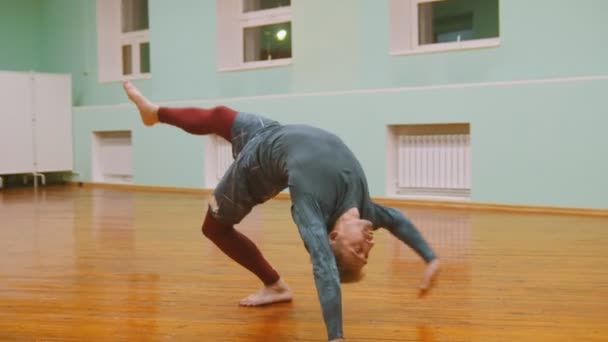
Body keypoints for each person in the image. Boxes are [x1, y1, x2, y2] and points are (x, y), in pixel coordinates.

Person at [123, 81, 440, 342]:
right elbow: (398, 220)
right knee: (220, 116)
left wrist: (336, 337)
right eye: (366, 251)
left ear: (333, 237)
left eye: (358, 250)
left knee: (214, 228)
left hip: (257, 165)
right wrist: (430, 258)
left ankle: (274, 284)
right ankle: (154, 114)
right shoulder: (365, 208)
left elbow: (324, 268)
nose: (369, 244)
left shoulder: (310, 208)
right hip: (272, 133)